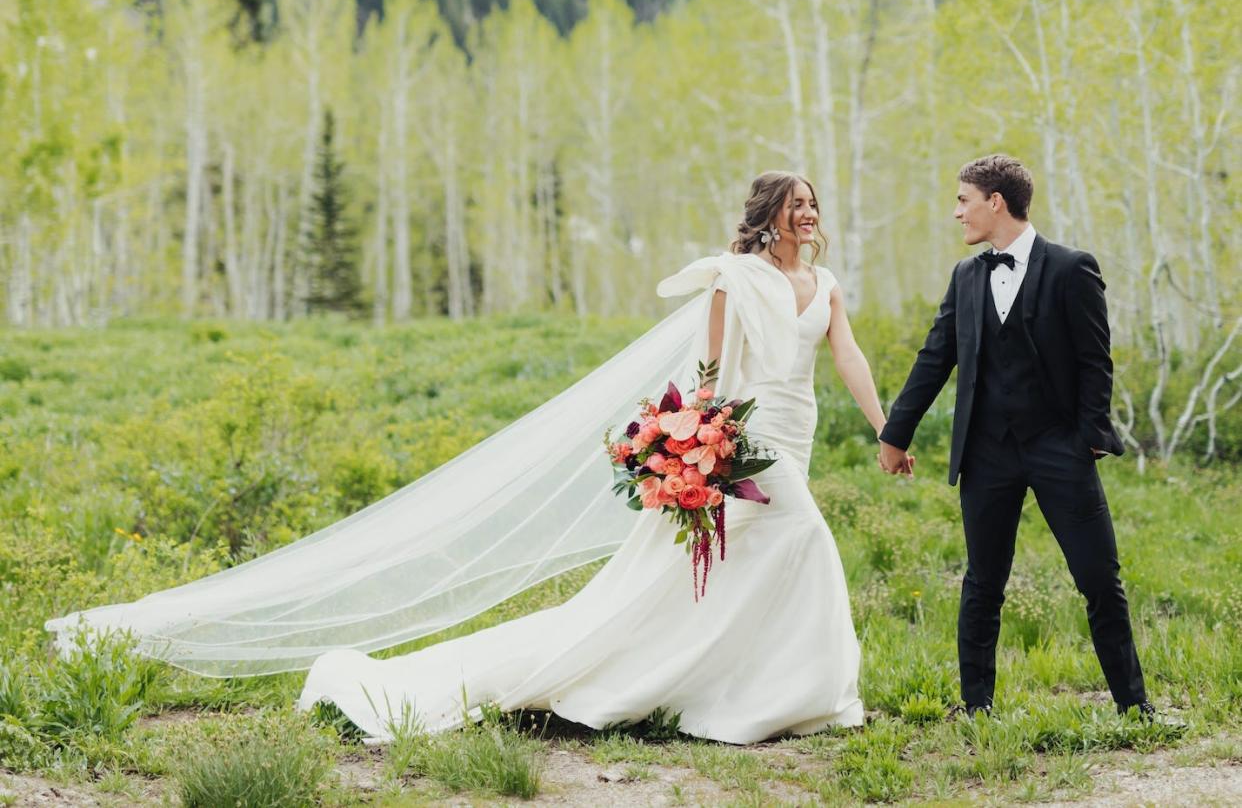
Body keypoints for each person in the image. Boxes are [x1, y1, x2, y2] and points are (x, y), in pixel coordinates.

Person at [294, 171, 891, 742]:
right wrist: (696, 441)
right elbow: (708, 371)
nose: (809, 214)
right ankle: (812, 692)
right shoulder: (732, 278)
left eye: (813, 203)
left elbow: (849, 358)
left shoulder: (826, 284)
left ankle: (738, 683)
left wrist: (883, 428)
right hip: (747, 436)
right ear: (770, 217)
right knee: (807, 535)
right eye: (797, 205)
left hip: (798, 430)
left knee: (748, 562)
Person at [877, 154, 1157, 719]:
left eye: (963, 200)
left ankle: (1135, 707)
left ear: (995, 202)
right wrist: (894, 434)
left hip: (1060, 450)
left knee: (1100, 578)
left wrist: (1087, 440)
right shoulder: (966, 277)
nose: (957, 212)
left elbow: (1095, 362)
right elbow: (935, 359)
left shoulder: (1071, 268)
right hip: (987, 455)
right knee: (983, 582)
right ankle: (977, 707)